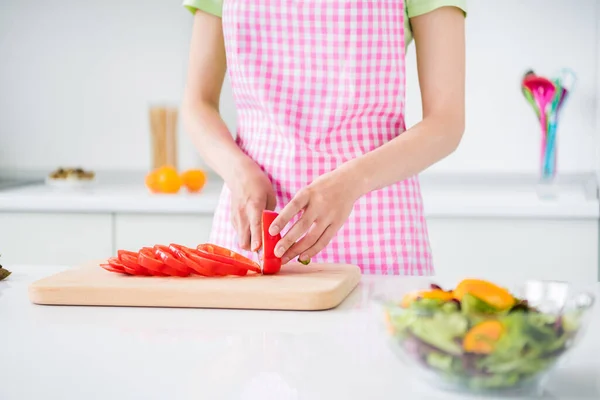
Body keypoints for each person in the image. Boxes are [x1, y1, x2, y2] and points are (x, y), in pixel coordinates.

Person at [181, 0, 466, 275]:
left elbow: (446, 123)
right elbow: (198, 103)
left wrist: (353, 180)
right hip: (254, 230)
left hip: (377, 231)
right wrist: (238, 171)